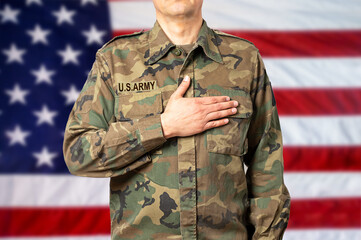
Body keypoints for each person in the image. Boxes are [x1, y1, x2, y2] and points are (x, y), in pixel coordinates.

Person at [63, 0, 291, 239]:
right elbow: (78, 153)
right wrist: (163, 126)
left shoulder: (245, 58)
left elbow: (267, 167)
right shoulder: (115, 60)